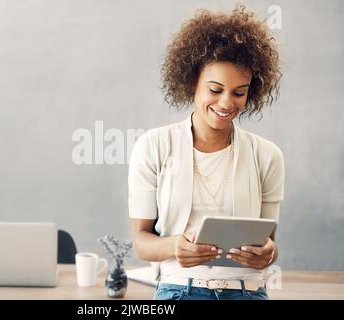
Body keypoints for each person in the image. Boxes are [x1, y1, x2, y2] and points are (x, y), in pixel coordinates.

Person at [128, 5, 285, 300]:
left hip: (246, 290)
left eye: (239, 92)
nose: (226, 103)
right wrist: (174, 246)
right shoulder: (153, 146)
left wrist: (268, 254)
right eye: (215, 89)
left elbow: (270, 245)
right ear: (192, 84)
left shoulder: (268, 156)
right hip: (178, 288)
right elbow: (141, 242)